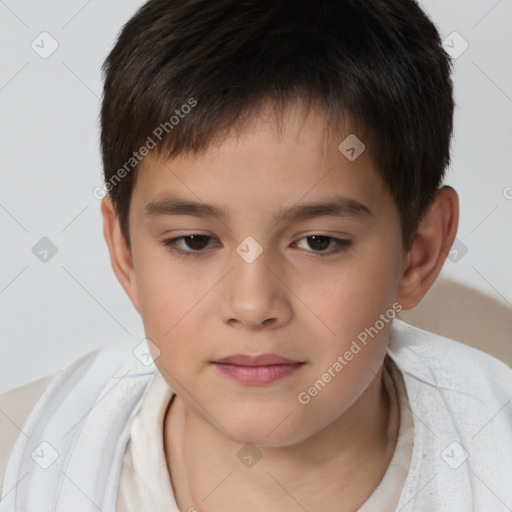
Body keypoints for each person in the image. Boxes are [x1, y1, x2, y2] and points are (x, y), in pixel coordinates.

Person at [1, 0, 512, 510]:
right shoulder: (20, 462)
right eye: (194, 241)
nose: (251, 305)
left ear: (417, 255)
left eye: (318, 242)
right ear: (125, 252)